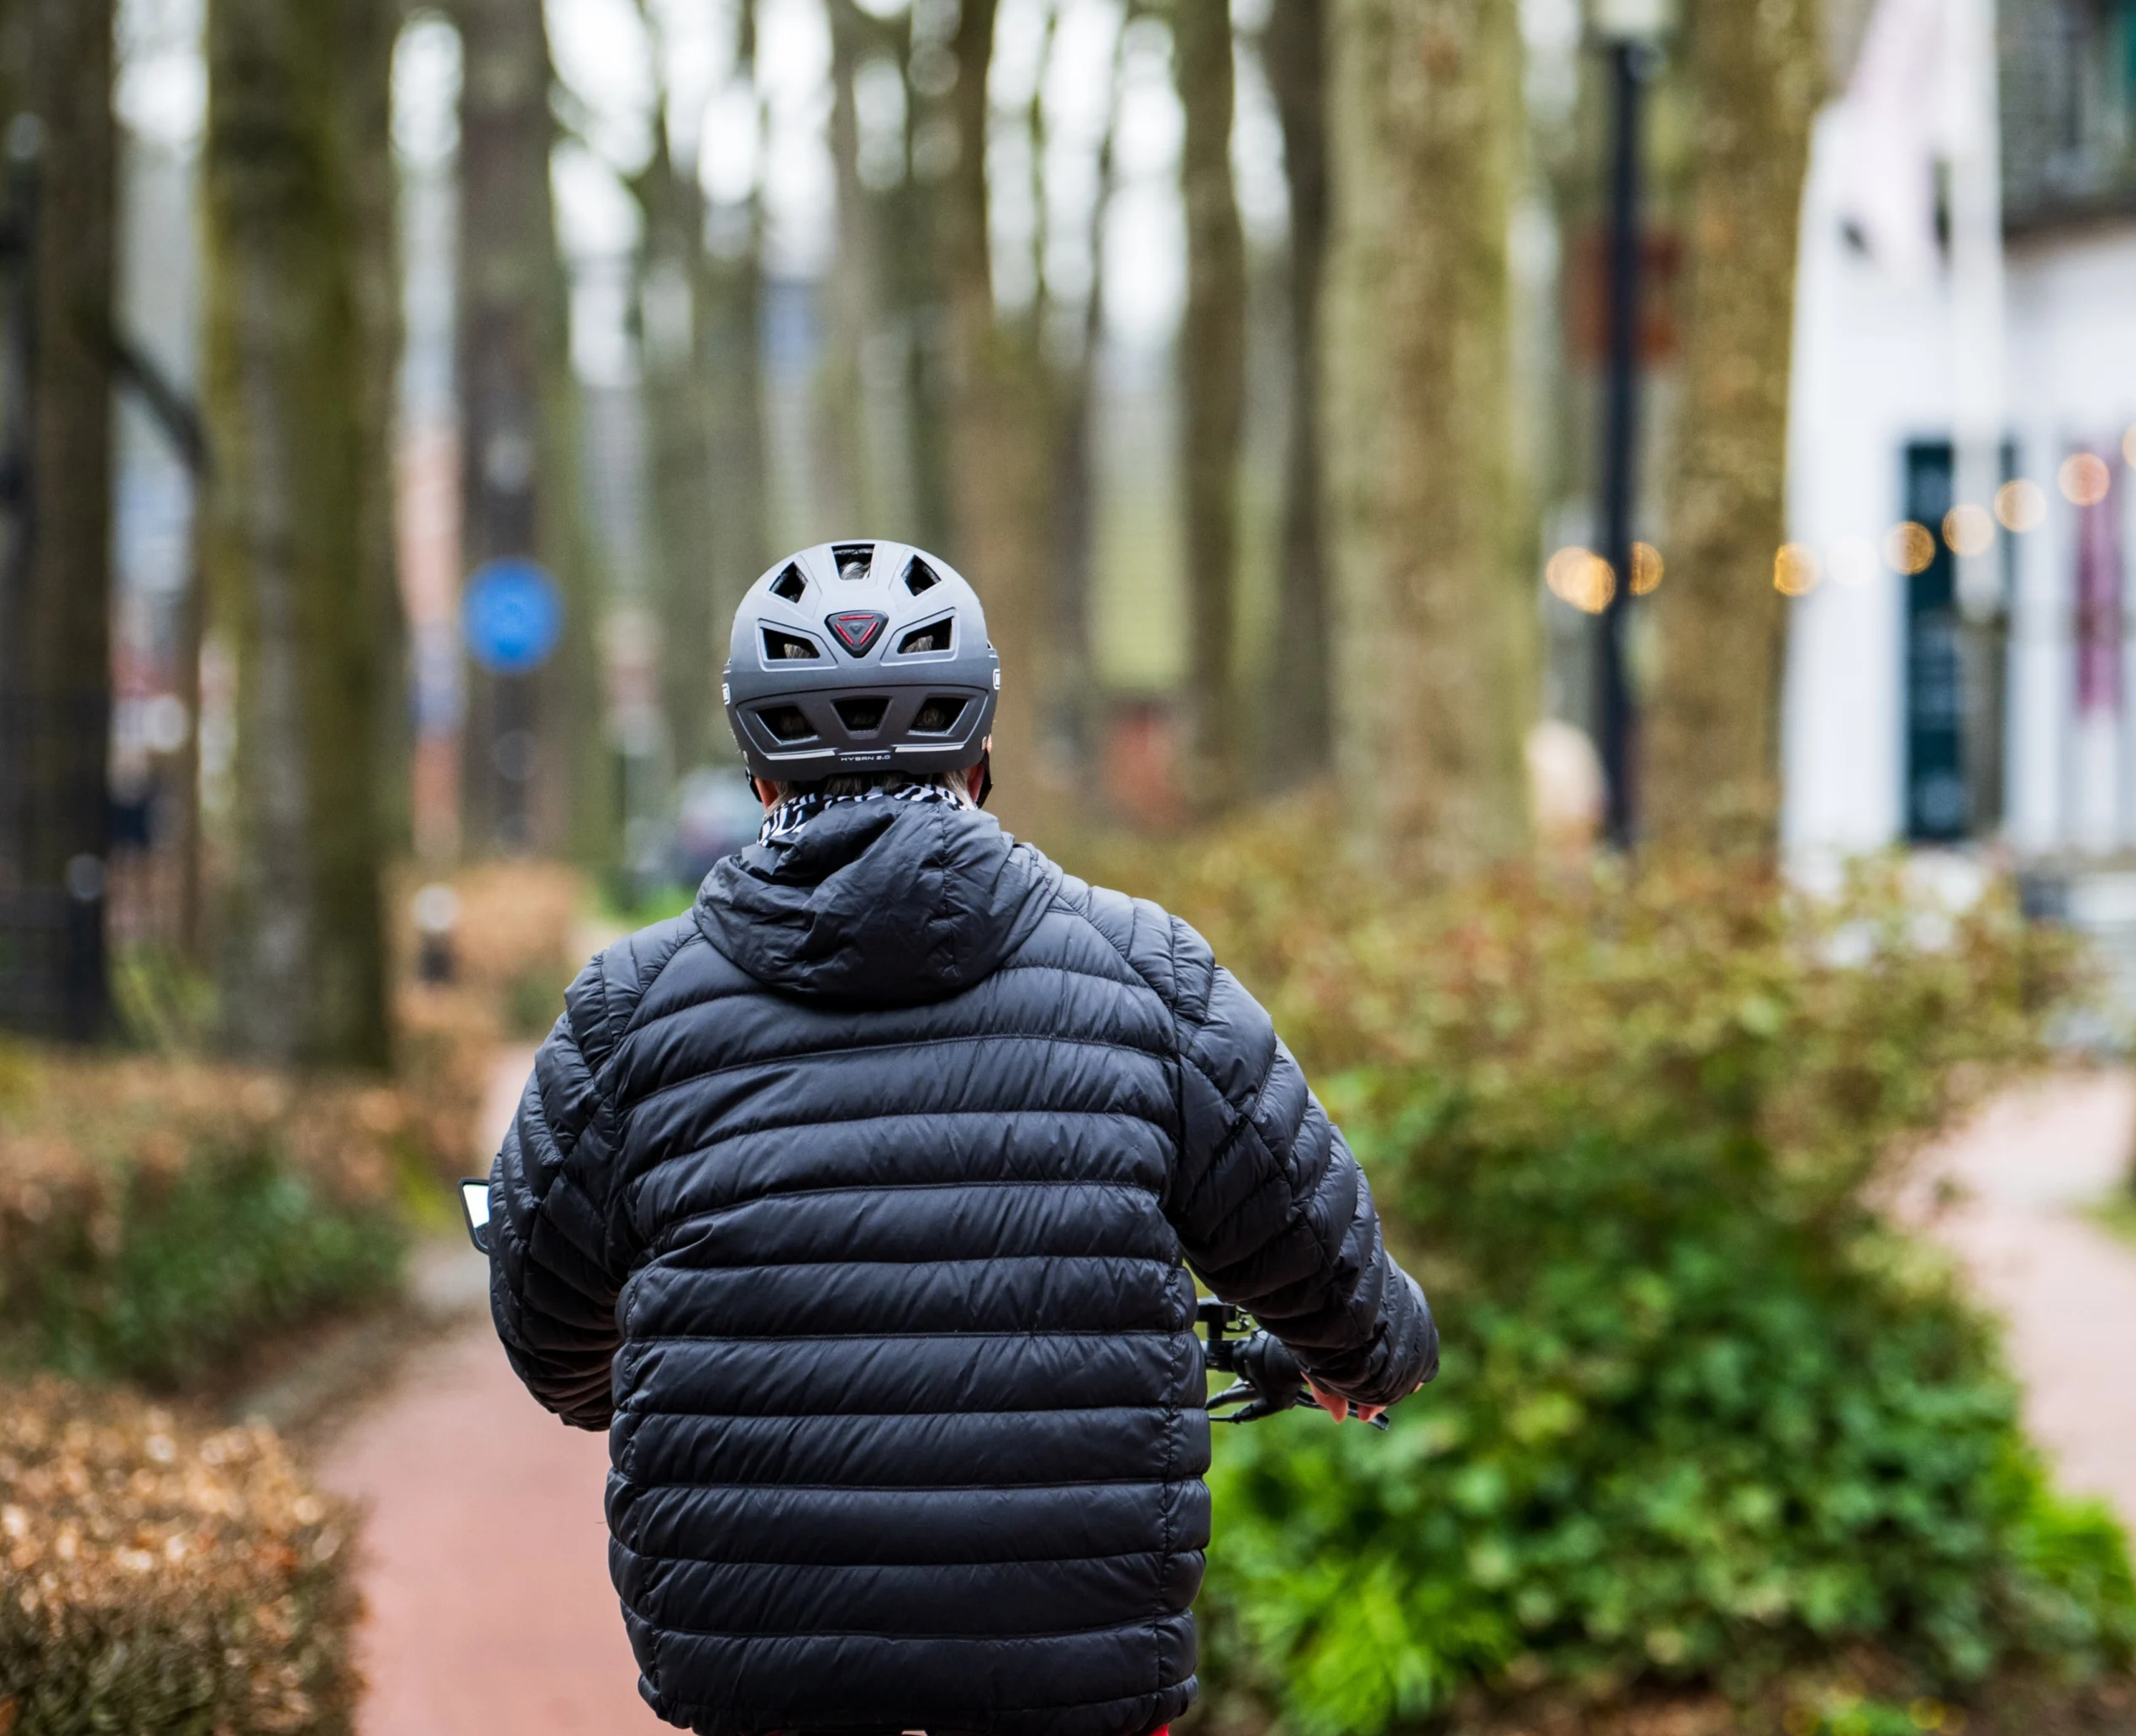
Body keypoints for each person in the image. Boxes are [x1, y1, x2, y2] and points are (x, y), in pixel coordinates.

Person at [481, 541, 1439, 1736]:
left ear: (757, 767)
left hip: (756, 1663)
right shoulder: (1149, 977)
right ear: (982, 749)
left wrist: (634, 1382)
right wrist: (1364, 1362)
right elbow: (1321, 1258)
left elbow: (544, 1323)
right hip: (1072, 1664)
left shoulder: (632, 1010)